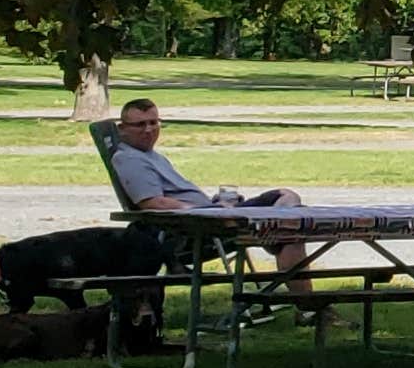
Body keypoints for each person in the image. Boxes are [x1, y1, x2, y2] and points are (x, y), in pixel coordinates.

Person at [108, 99, 310, 267]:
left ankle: (278, 235)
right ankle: (305, 303)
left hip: (213, 215)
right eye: (140, 125)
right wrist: (206, 209)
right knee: (287, 209)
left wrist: (216, 204)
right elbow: (153, 203)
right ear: (122, 129)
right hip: (204, 227)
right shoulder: (129, 159)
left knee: (288, 213)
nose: (149, 130)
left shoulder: (150, 155)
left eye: (153, 123)